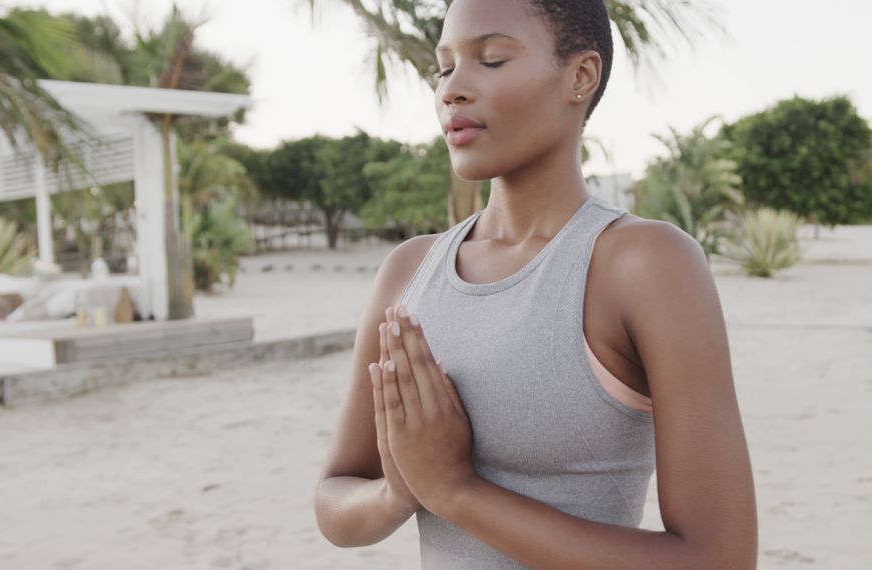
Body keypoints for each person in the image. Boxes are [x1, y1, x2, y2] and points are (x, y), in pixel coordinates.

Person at [314, 0, 758, 567]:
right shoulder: (409, 271)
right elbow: (334, 502)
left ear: (580, 76)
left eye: (492, 59)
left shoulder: (643, 264)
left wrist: (457, 492)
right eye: (443, 67)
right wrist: (400, 489)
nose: (453, 89)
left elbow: (720, 559)